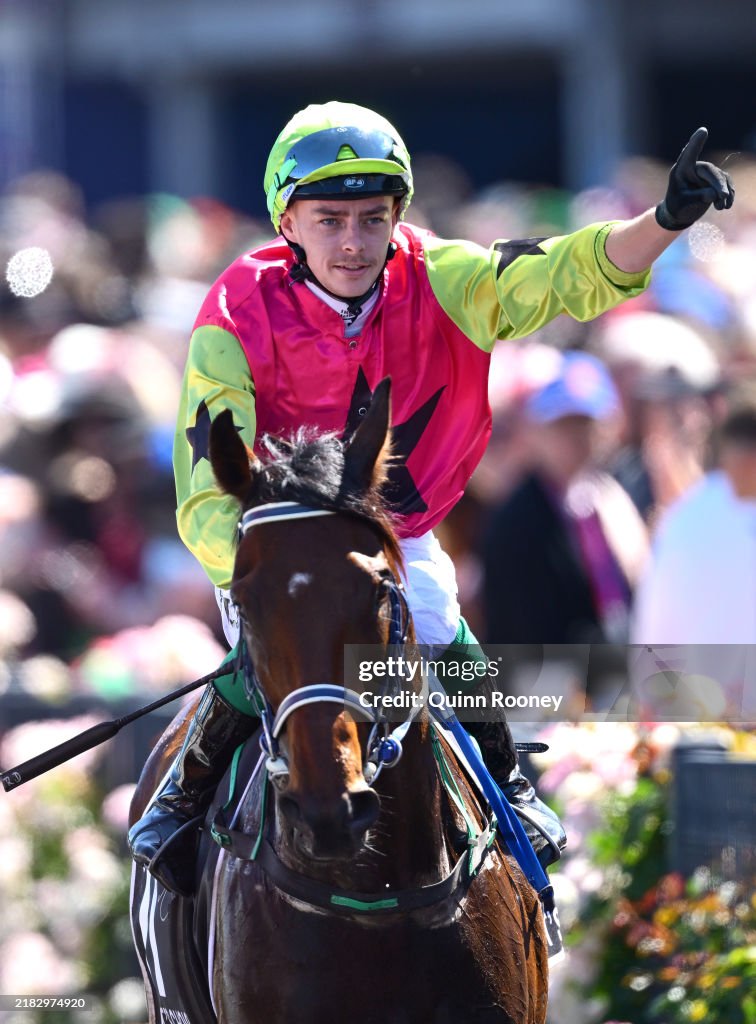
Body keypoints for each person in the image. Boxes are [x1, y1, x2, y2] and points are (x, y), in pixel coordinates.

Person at [127, 101, 734, 896]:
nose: (353, 241)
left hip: (388, 530)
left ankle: (508, 779)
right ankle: (183, 790)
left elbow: (561, 273)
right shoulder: (235, 313)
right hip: (272, 539)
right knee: (284, 644)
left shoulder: (444, 277)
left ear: (397, 218)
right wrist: (257, 570)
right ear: (288, 220)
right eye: (331, 219)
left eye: (372, 219)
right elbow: (208, 485)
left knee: (439, 617)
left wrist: (662, 220)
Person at [483, 350, 649, 647]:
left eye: (585, 424)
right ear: (536, 430)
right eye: (562, 425)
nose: (576, 438)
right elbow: (521, 627)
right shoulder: (515, 520)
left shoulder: (610, 496)